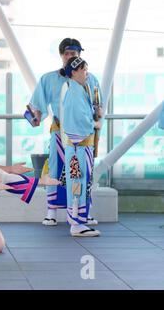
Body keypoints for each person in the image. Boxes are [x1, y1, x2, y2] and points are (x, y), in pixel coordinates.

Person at [28, 38, 101, 226]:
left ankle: (84, 212)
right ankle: (51, 210)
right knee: (55, 168)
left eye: (74, 54)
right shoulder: (49, 78)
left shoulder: (90, 78)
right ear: (61, 55)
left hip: (83, 135)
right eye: (67, 53)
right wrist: (34, 117)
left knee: (84, 172)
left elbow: (97, 105)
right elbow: (36, 105)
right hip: (60, 132)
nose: (70, 57)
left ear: (79, 56)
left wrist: (96, 120)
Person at [62, 56, 102, 237]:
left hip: (78, 147)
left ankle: (78, 219)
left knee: (80, 181)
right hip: (78, 147)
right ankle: (76, 223)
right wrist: (94, 124)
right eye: (84, 70)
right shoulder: (75, 93)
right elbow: (79, 119)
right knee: (77, 182)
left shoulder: (77, 89)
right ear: (74, 72)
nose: (86, 73)